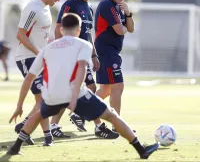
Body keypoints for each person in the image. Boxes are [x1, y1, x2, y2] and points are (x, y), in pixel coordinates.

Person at [7, 13, 159, 159]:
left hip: (52, 95)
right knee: (111, 115)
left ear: (61, 29)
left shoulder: (48, 48)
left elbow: (29, 78)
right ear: (79, 30)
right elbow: (81, 68)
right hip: (77, 95)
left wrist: (19, 106)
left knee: (39, 114)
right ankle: (141, 149)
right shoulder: (84, 44)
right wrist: (73, 97)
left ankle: (15, 147)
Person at [54, 0, 118, 139]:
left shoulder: (89, 8)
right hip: (71, 55)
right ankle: (98, 126)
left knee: (86, 89)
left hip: (83, 56)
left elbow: (88, 35)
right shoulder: (70, 5)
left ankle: (59, 123)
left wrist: (94, 55)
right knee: (89, 88)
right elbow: (58, 28)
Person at [14, 0, 67, 146]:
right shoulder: (33, 8)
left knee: (49, 98)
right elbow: (20, 35)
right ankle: (47, 136)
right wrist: (39, 53)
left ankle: (25, 127)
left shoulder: (45, 8)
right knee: (43, 99)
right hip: (27, 58)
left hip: (38, 58)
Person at [94, 0, 134, 132]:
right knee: (118, 85)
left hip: (113, 51)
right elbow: (120, 30)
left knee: (106, 89)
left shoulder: (120, 7)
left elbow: (130, 29)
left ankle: (81, 111)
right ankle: (117, 125)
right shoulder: (107, 5)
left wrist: (128, 14)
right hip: (106, 50)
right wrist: (124, 25)